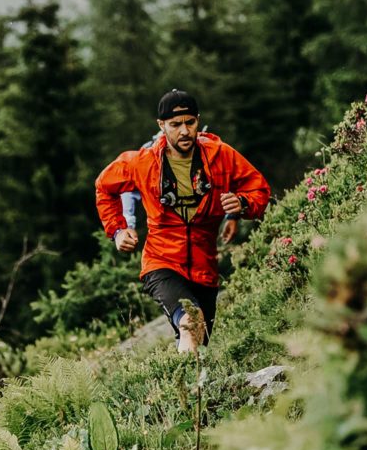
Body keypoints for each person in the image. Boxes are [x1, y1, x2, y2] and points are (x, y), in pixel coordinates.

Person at [95, 89, 270, 351]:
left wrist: (242, 204)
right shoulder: (142, 162)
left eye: (190, 122)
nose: (184, 131)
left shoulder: (220, 154)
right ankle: (185, 387)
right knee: (191, 322)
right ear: (161, 125)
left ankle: (186, 388)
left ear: (198, 120)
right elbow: (104, 186)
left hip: (205, 268)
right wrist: (118, 230)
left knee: (199, 343)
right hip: (161, 261)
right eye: (175, 125)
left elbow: (259, 189)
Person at [121, 130, 240, 243]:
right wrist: (127, 226)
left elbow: (227, 177)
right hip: (165, 236)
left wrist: (232, 216)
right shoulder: (148, 157)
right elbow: (127, 189)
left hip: (202, 233)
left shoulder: (202, 150)